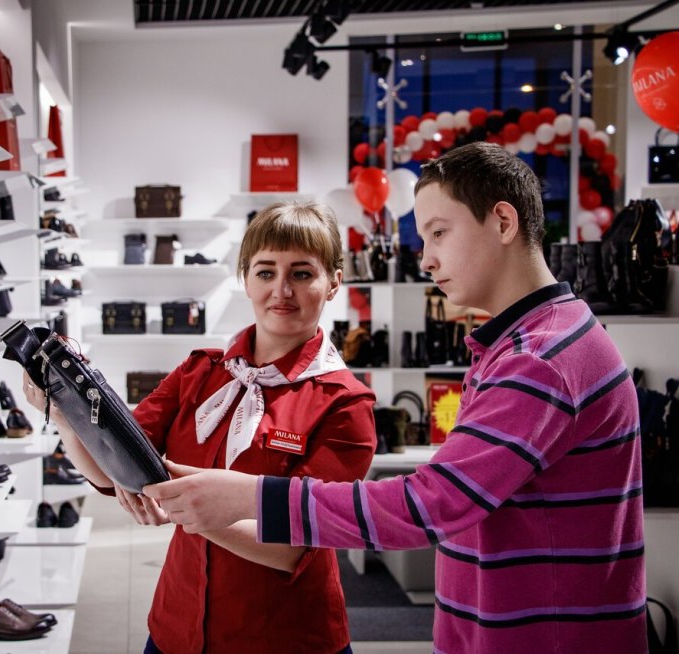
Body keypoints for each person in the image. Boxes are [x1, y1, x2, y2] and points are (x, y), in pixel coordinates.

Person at [144, 142, 648, 653]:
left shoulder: (537, 360)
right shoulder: (524, 344)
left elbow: (431, 505)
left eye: (438, 233)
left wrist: (247, 496)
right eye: (265, 271)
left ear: (502, 222)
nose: (426, 259)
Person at [24, 202, 377, 654]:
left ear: (333, 284)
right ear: (245, 278)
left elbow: (293, 548)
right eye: (266, 272)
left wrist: (177, 502)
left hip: (284, 637)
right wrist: (61, 411)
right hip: (176, 625)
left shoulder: (346, 404)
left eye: (303, 273)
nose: (281, 290)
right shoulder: (199, 371)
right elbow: (113, 467)